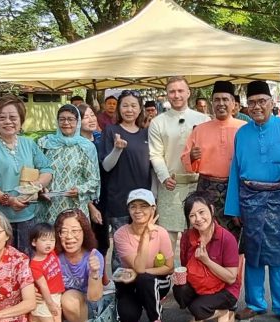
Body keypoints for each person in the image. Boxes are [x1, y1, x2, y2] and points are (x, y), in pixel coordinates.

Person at [226, 80, 280, 322]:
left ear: (272, 103)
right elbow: (235, 172)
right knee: (253, 254)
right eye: (252, 102)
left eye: (262, 101)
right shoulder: (242, 133)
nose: (257, 106)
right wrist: (234, 208)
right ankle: (255, 304)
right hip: (250, 200)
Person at [0, 95, 53, 256]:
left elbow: (47, 169)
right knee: (2, 264)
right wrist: (9, 200)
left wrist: (36, 185)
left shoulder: (29, 144)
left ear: (21, 120)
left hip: (28, 215)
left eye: (13, 117)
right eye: (2, 117)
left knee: (27, 262)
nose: (8, 122)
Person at [182, 81, 247, 241]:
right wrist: (191, 156)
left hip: (235, 188)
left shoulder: (245, 128)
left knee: (233, 240)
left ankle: (233, 267)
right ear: (212, 103)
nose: (221, 103)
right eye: (217, 99)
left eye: (225, 99)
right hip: (206, 189)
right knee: (205, 236)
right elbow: (186, 161)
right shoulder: (200, 129)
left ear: (234, 103)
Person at [112, 189, 174, 322]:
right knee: (127, 315)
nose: (138, 211)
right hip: (132, 282)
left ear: (153, 209)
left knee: (145, 278)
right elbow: (138, 266)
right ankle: (137, 309)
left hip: (157, 282)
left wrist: (144, 273)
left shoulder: (161, 233)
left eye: (144, 206)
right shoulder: (120, 234)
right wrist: (146, 236)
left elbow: (169, 267)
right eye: (133, 206)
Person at [150, 77, 210, 238]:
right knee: (167, 237)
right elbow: (155, 153)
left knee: (198, 235)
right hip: (171, 183)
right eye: (172, 91)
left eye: (180, 91)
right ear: (167, 94)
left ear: (188, 93)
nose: (176, 95)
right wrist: (164, 176)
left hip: (198, 184)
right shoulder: (158, 122)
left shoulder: (204, 120)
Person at [175, 192, 240, 322]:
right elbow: (185, 266)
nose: (198, 219)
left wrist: (207, 261)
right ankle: (202, 315)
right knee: (180, 289)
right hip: (200, 285)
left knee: (197, 308)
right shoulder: (187, 237)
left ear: (211, 210)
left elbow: (231, 278)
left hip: (225, 289)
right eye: (192, 215)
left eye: (201, 212)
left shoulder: (226, 238)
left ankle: (223, 312)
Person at [99, 90, 153, 258]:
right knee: (122, 247)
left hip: (144, 198)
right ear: (119, 108)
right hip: (119, 199)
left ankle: (142, 280)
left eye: (133, 106)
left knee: (143, 243)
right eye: (125, 105)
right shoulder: (110, 131)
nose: (129, 110)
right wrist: (117, 149)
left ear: (140, 109)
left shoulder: (146, 133)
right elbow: (106, 166)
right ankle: (121, 283)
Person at [36, 105, 100, 225]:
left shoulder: (86, 147)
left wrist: (79, 190)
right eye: (62, 119)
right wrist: (40, 189)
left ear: (78, 122)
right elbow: (35, 172)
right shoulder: (45, 144)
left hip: (76, 208)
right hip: (49, 207)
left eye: (70, 119)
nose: (66, 123)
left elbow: (94, 181)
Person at [52, 209, 105, 322]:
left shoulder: (93, 256)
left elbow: (95, 297)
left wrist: (94, 272)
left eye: (75, 231)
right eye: (64, 231)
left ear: (84, 233)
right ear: (58, 234)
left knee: (69, 298)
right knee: (36, 316)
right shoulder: (54, 256)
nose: (69, 237)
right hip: (60, 302)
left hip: (88, 305)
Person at [26, 223, 77, 322]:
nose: (49, 244)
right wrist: (50, 304)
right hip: (44, 300)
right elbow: (43, 287)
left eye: (52, 240)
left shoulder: (52, 253)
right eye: (44, 240)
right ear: (34, 242)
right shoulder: (35, 265)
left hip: (56, 296)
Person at [79, 104, 111, 261]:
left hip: (104, 194)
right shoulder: (77, 144)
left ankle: (103, 276)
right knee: (88, 238)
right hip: (85, 198)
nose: (91, 119)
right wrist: (90, 206)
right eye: (85, 117)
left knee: (103, 239)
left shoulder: (101, 139)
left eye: (92, 115)